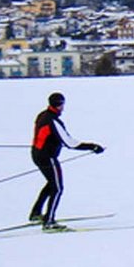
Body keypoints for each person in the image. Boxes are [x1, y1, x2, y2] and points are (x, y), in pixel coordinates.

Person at [29, 91, 104, 229]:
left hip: (36, 154)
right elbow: (70, 143)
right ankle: (49, 222)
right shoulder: (53, 121)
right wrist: (92, 147)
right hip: (48, 158)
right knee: (57, 188)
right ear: (60, 105)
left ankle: (36, 213)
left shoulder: (43, 115)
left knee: (52, 184)